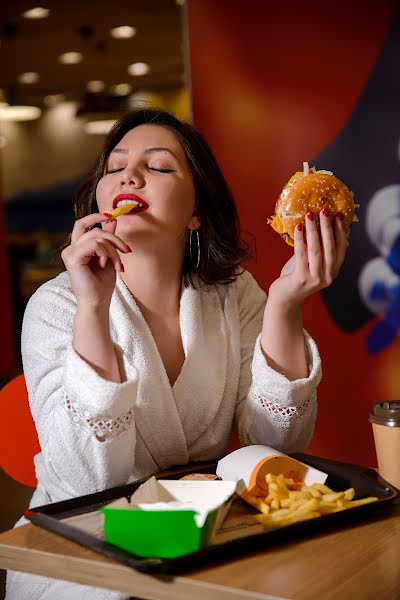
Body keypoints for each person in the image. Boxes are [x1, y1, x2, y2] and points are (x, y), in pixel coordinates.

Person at [6, 108, 348, 600]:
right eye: (115, 167)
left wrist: (285, 303)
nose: (130, 174)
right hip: (80, 555)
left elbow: (278, 443)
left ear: (196, 214)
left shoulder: (234, 295)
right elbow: (86, 478)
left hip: (202, 544)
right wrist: (94, 307)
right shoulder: (57, 305)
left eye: (159, 166)